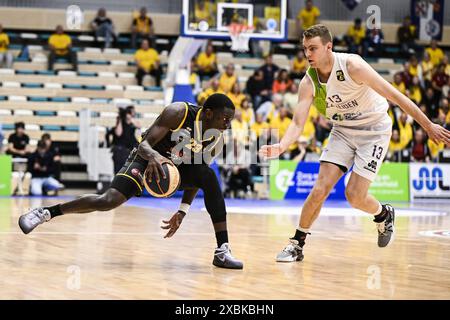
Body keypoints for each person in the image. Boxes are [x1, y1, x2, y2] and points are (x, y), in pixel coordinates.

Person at [259, 24, 450, 262]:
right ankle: (296, 244)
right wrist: (282, 146)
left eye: (313, 48)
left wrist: (428, 125)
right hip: (343, 131)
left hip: (375, 130)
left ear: (329, 47)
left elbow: (397, 96)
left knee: (354, 196)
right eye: (305, 49)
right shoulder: (308, 83)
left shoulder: (353, 66)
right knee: (320, 189)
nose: (308, 54)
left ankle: (383, 214)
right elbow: (298, 124)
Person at [18, 93, 243, 269]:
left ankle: (222, 250)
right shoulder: (178, 112)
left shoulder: (216, 138)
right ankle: (46, 212)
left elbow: (198, 175)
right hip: (145, 159)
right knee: (107, 201)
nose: (227, 125)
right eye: (225, 119)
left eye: (230, 120)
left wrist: (182, 211)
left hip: (175, 170)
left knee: (209, 175)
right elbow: (144, 144)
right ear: (208, 113)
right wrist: (155, 156)